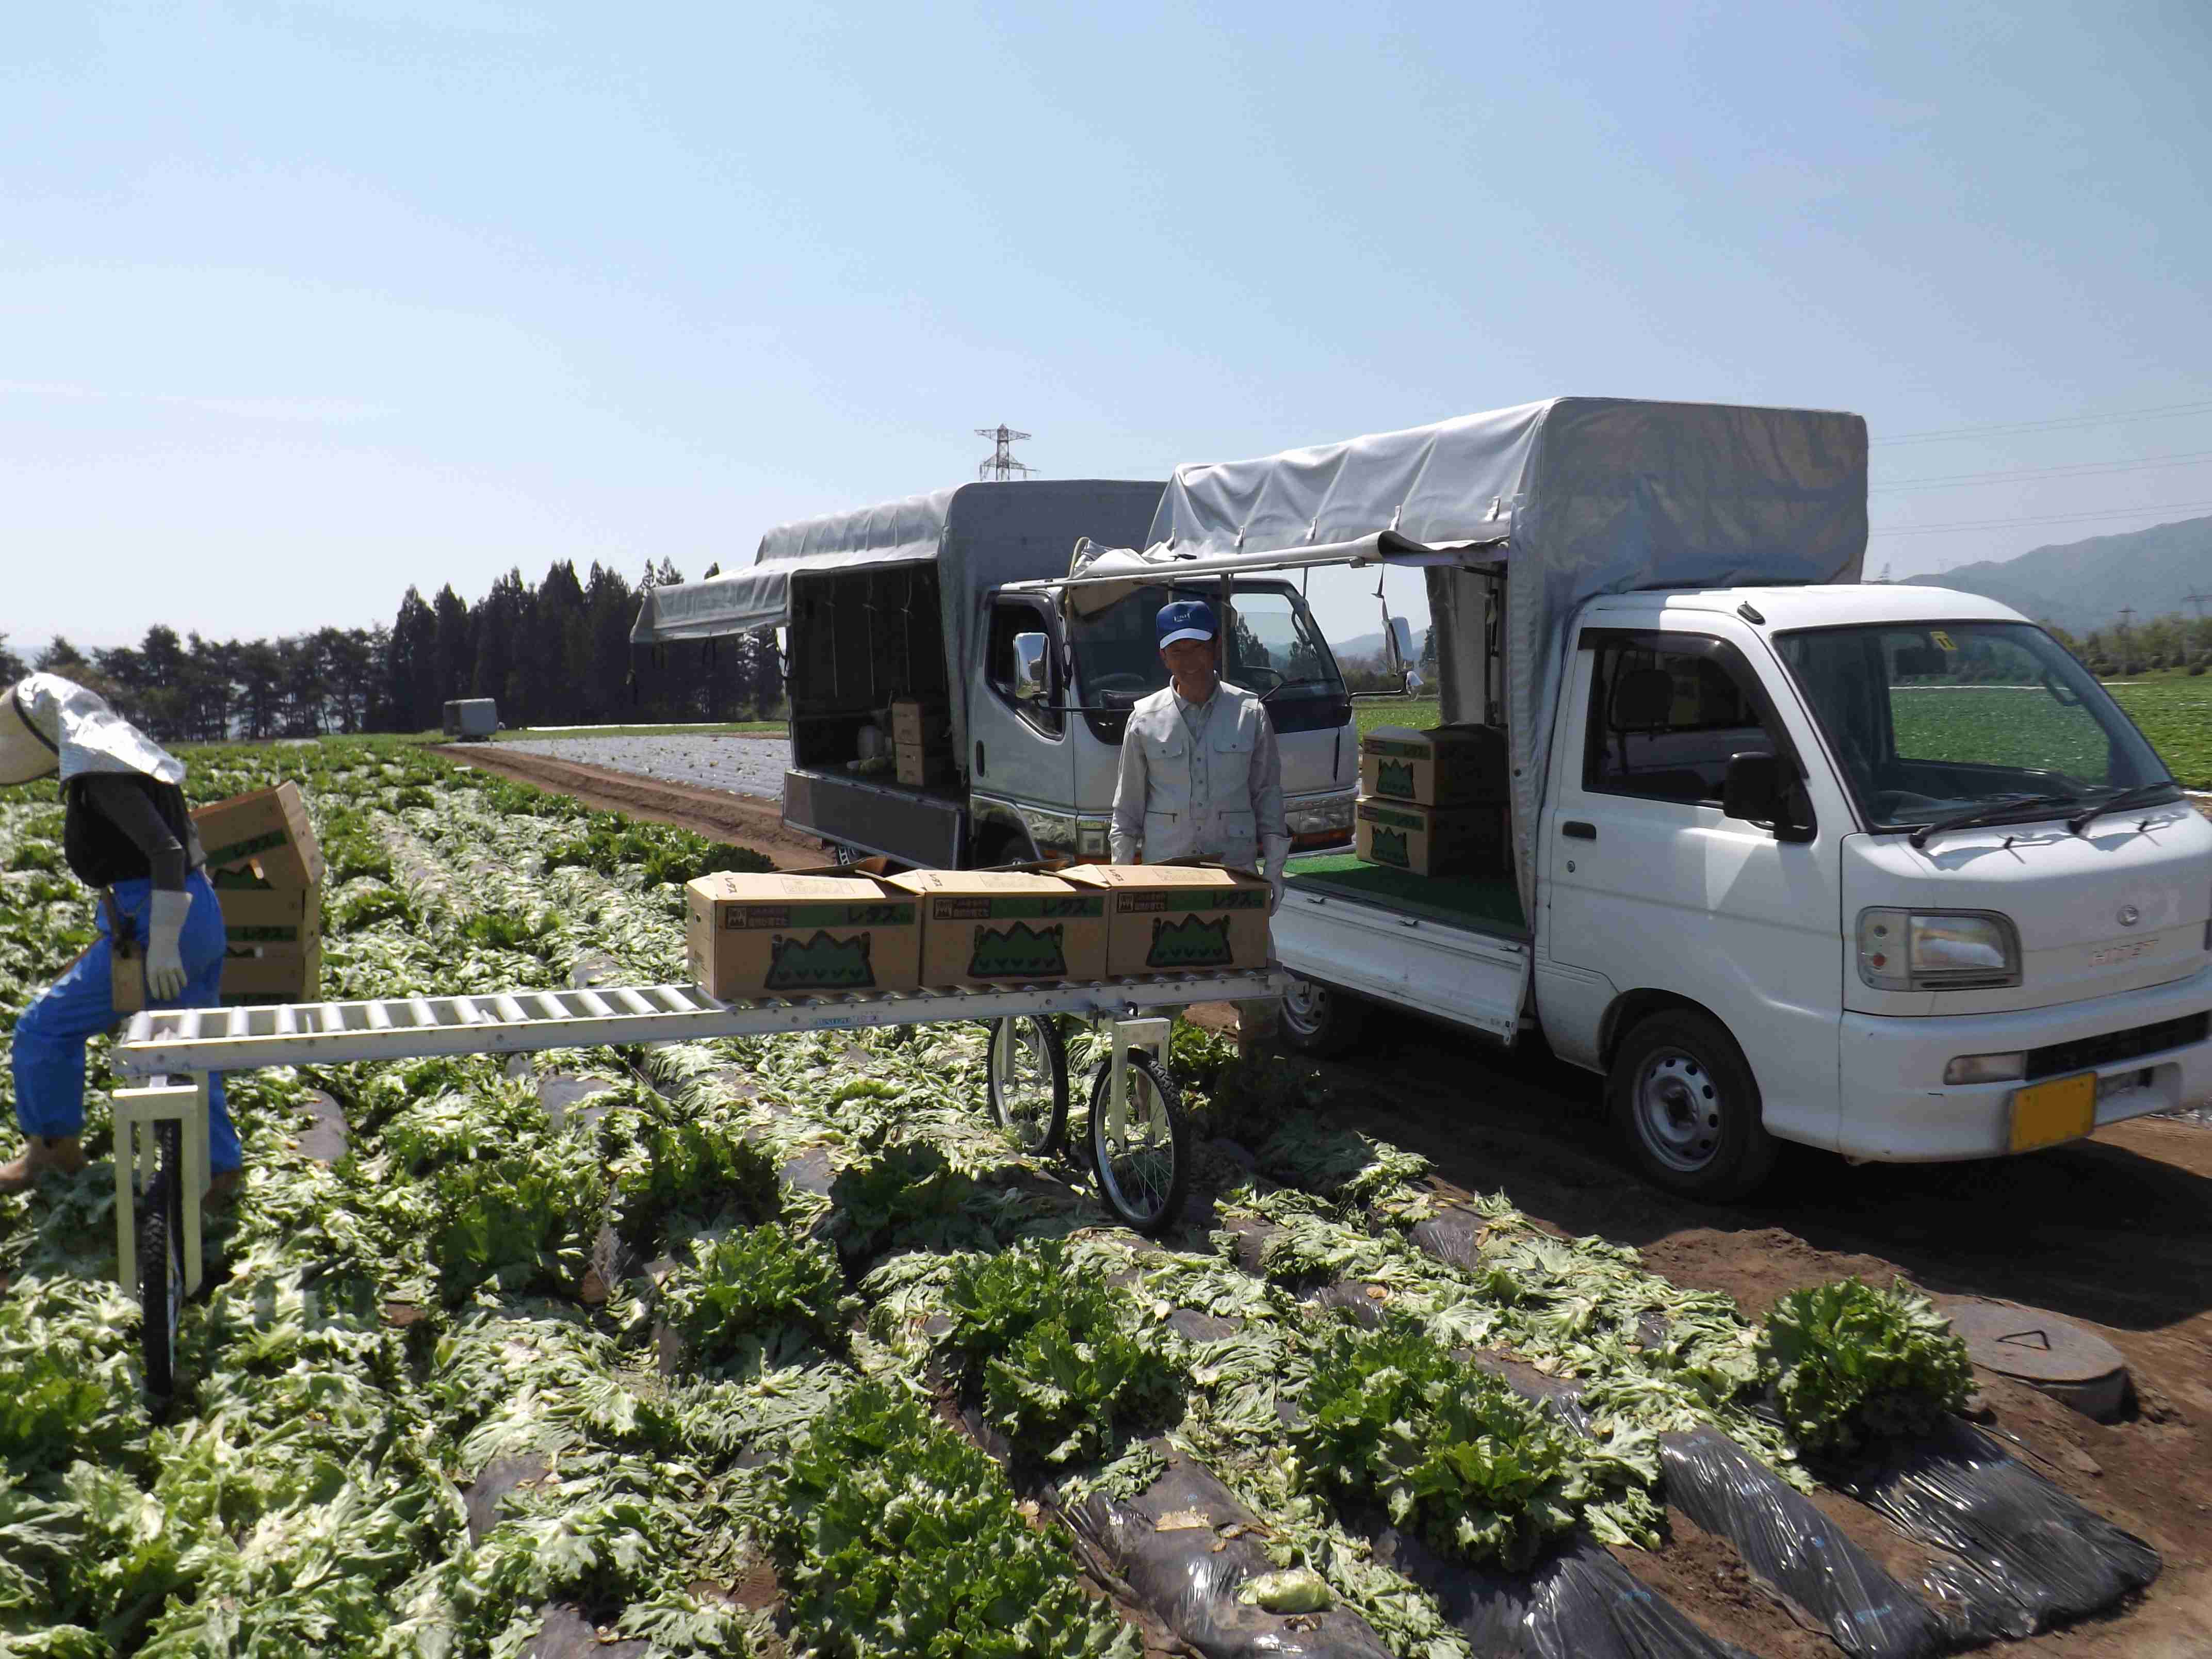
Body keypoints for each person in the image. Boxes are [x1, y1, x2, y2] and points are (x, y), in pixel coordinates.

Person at [0, 675, 239, 1196]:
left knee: (44, 1029)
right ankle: (219, 1170)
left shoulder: (101, 774)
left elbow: (166, 852)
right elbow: (186, 847)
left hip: (156, 917)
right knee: (189, 1046)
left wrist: (165, 940)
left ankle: (51, 1150)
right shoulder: (136, 759)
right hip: (194, 908)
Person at [1110, 598, 1290, 909]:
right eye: (1177, 651)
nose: (1189, 660)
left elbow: (1268, 797)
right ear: (1164, 657)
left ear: (1216, 646)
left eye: (1198, 647)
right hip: (1164, 877)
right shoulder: (1144, 719)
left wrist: (1274, 871)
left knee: (1250, 956)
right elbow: (1127, 811)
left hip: (1235, 874)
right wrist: (1120, 879)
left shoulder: (1250, 713)